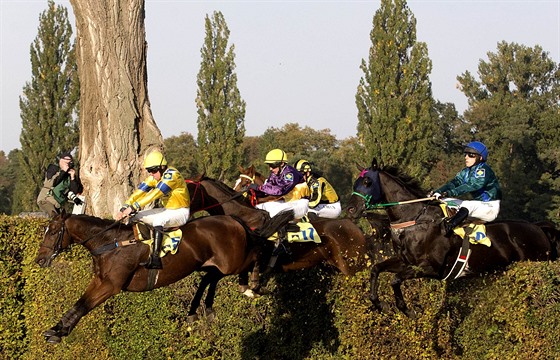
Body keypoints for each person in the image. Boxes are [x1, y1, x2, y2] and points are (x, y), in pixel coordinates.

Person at [116, 150, 190, 269]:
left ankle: (155, 259)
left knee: (158, 221)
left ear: (162, 167)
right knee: (136, 216)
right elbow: (139, 192)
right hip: (167, 210)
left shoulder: (172, 175)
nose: (151, 174)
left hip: (181, 212)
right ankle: (142, 247)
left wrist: (133, 207)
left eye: (154, 171)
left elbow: (154, 194)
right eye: (149, 171)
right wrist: (124, 207)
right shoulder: (154, 177)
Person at [429, 141, 502, 236]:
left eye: (471, 155)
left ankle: (448, 228)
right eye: (466, 154)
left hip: (490, 207)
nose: (466, 157)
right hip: (478, 205)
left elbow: (472, 185)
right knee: (445, 201)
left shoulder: (483, 170)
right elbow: (453, 183)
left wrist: (449, 193)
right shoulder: (465, 172)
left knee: (467, 204)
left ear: (480, 158)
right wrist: (437, 192)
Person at [249, 148, 309, 219]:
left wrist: (259, 188)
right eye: (269, 165)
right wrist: (254, 191)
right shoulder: (275, 173)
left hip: (300, 203)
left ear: (282, 164)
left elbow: (280, 190)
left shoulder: (290, 174)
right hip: (287, 201)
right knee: (258, 208)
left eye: (273, 165)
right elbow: (268, 187)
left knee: (271, 213)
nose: (270, 168)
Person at [37, 151, 84, 217]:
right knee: (55, 218)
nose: (67, 165)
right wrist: (63, 171)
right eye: (66, 162)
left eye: (69, 163)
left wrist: (72, 177)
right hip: (46, 199)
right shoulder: (53, 168)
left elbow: (75, 191)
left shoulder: (69, 176)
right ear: (60, 161)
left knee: (62, 221)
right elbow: (53, 183)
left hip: (57, 203)